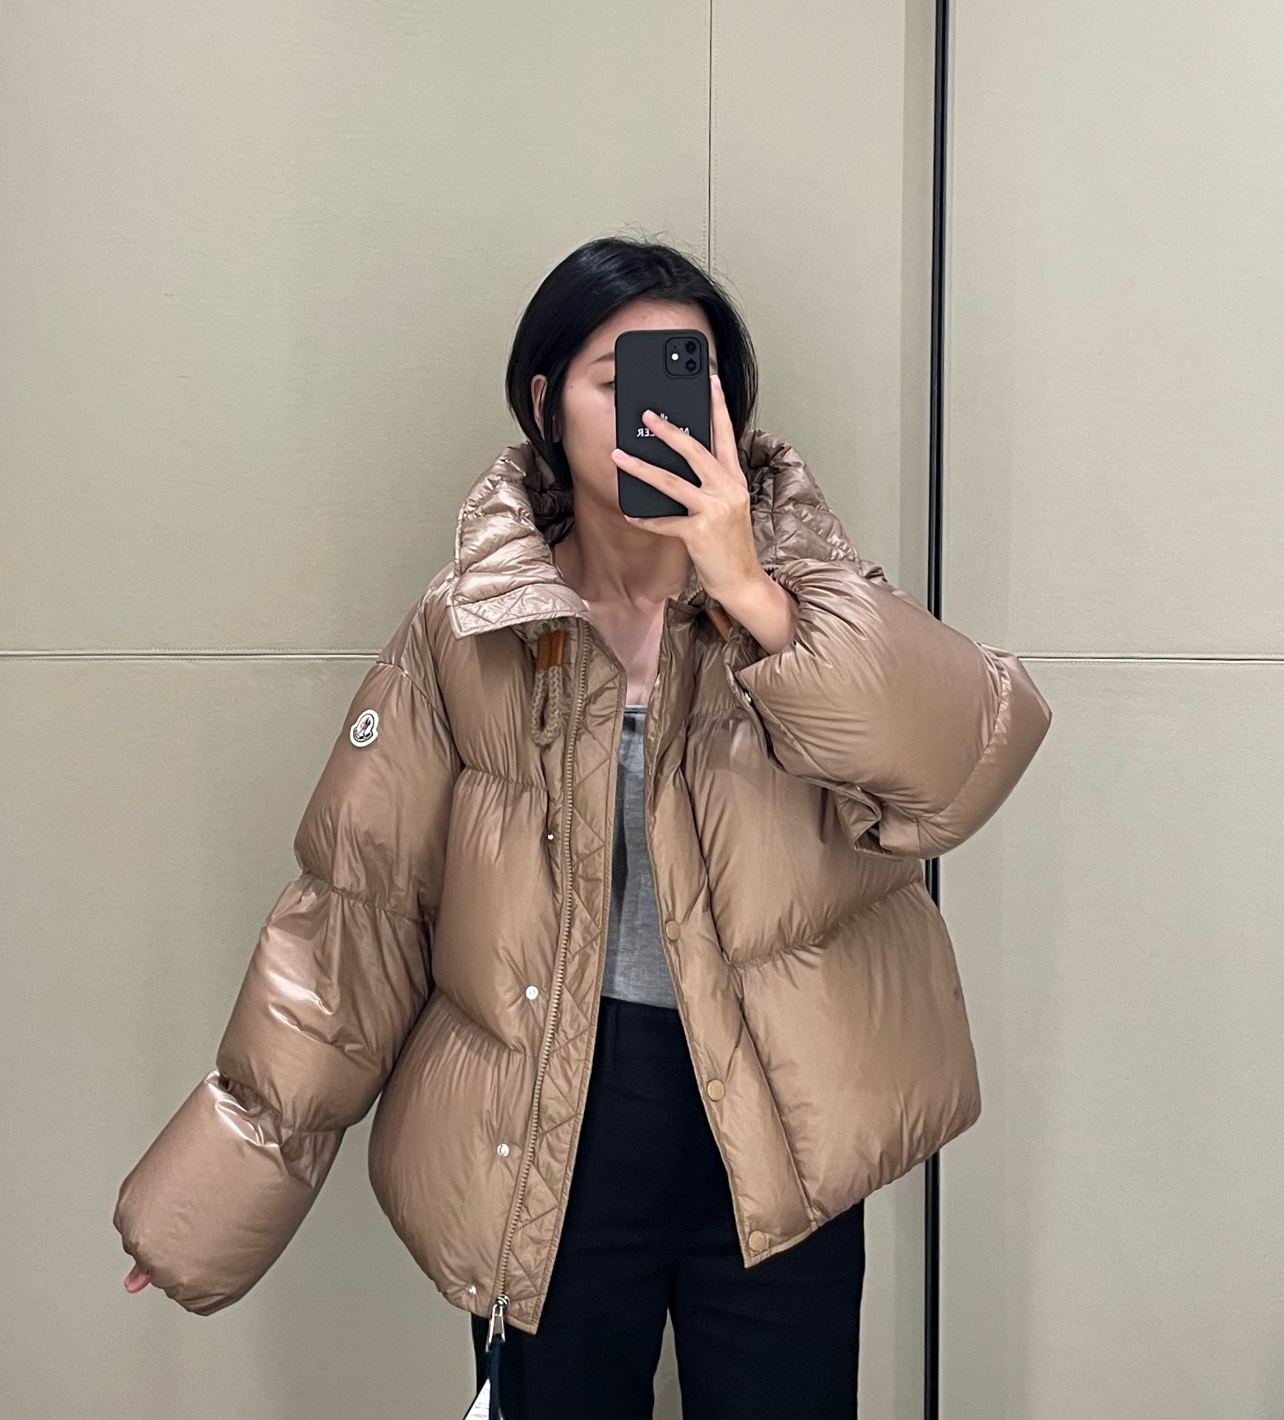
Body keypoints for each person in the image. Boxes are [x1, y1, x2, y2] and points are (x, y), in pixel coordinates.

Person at [116, 237, 1052, 1419]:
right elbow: (355, 914)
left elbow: (966, 763)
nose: (658, 411)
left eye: (690, 376)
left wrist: (752, 594)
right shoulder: (471, 628)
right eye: (620, 379)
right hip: (548, 1132)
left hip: (779, 1128)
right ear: (544, 402)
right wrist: (211, 1197)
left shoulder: (811, 594)